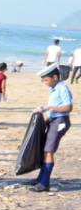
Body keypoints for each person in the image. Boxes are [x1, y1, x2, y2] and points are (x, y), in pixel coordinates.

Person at [29, 63, 73, 192]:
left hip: (60, 122)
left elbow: (68, 108)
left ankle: (44, 183)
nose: (44, 83)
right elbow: (54, 108)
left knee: (49, 151)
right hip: (54, 120)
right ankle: (40, 178)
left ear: (55, 77)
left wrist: (49, 108)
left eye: (46, 80)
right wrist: (43, 118)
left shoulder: (62, 88)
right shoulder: (53, 89)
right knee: (45, 149)